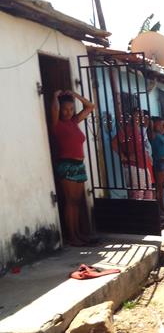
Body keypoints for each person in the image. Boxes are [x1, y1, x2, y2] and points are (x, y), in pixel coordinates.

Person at [50, 90, 95, 246]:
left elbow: (90, 106)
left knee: (76, 201)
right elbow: (54, 109)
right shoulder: (57, 124)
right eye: (65, 109)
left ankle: (77, 233)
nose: (68, 112)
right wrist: (56, 97)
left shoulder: (73, 122)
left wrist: (75, 95)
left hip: (78, 165)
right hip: (66, 164)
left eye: (71, 109)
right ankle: (71, 236)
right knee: (70, 201)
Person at [112, 109, 155, 200]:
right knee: (137, 192)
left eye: (142, 115)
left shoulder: (138, 129)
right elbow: (114, 143)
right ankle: (138, 213)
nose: (140, 118)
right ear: (132, 117)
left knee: (148, 190)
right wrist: (124, 157)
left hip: (143, 164)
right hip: (134, 165)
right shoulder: (129, 129)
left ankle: (146, 213)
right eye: (137, 115)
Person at [151, 117, 164, 214]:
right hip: (159, 162)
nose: (160, 126)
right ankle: (159, 208)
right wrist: (153, 123)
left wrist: (161, 122)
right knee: (159, 185)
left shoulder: (160, 134)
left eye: (161, 124)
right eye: (158, 124)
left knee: (162, 186)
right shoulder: (153, 134)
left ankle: (162, 206)